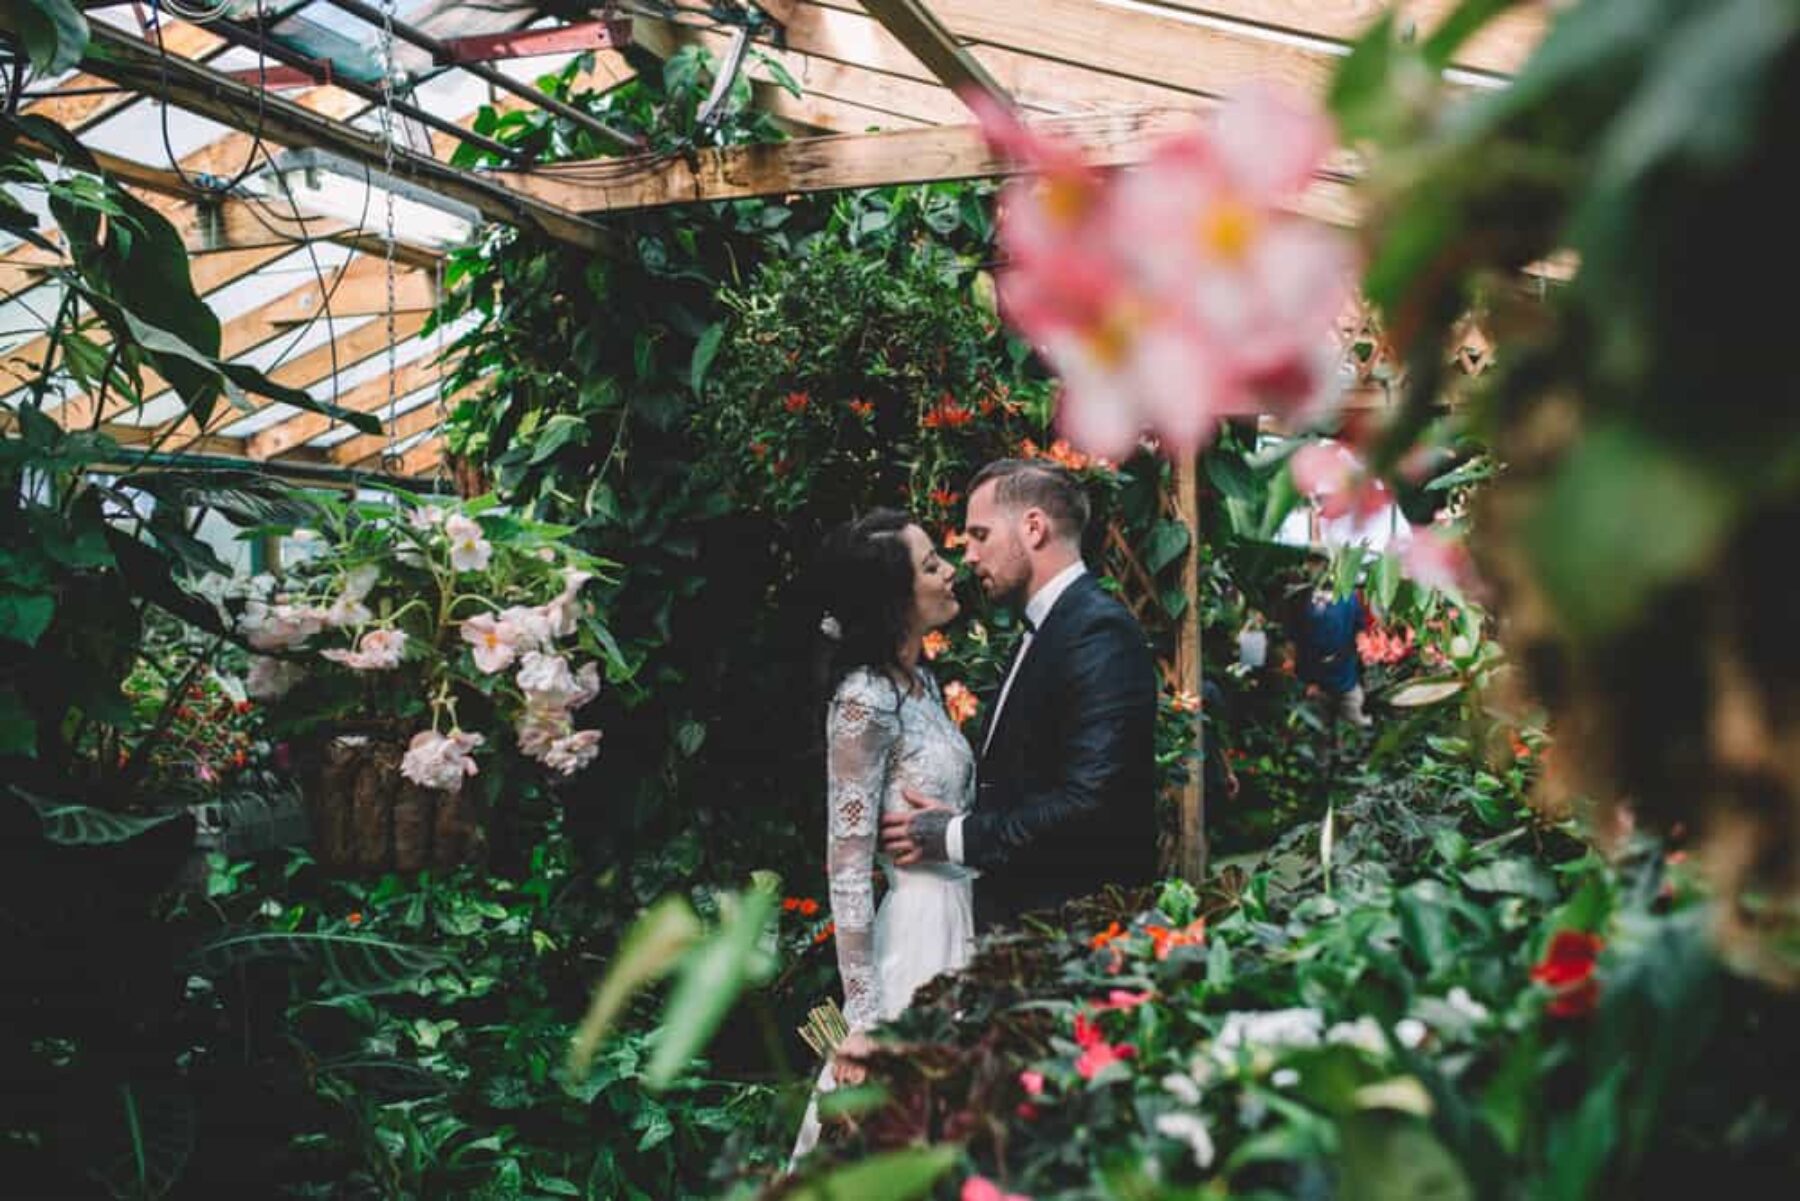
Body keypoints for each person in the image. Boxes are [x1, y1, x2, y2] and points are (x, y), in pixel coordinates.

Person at [878, 459, 1159, 931]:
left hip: (1069, 936)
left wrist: (955, 836)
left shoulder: (1097, 631)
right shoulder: (1051, 628)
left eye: (980, 535)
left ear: (1034, 528)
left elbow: (1091, 804)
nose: (967, 556)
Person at [791, 508, 976, 1164]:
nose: (950, 569)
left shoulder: (921, 685)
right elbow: (845, 866)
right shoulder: (865, 699)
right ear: (894, 596)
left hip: (961, 920)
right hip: (917, 935)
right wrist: (863, 1021)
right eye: (930, 564)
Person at [1292, 565, 1373, 728]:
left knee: (1349, 717)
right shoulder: (1303, 599)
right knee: (1322, 723)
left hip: (1339, 673)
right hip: (1318, 675)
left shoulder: (1347, 599)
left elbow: (1360, 629)